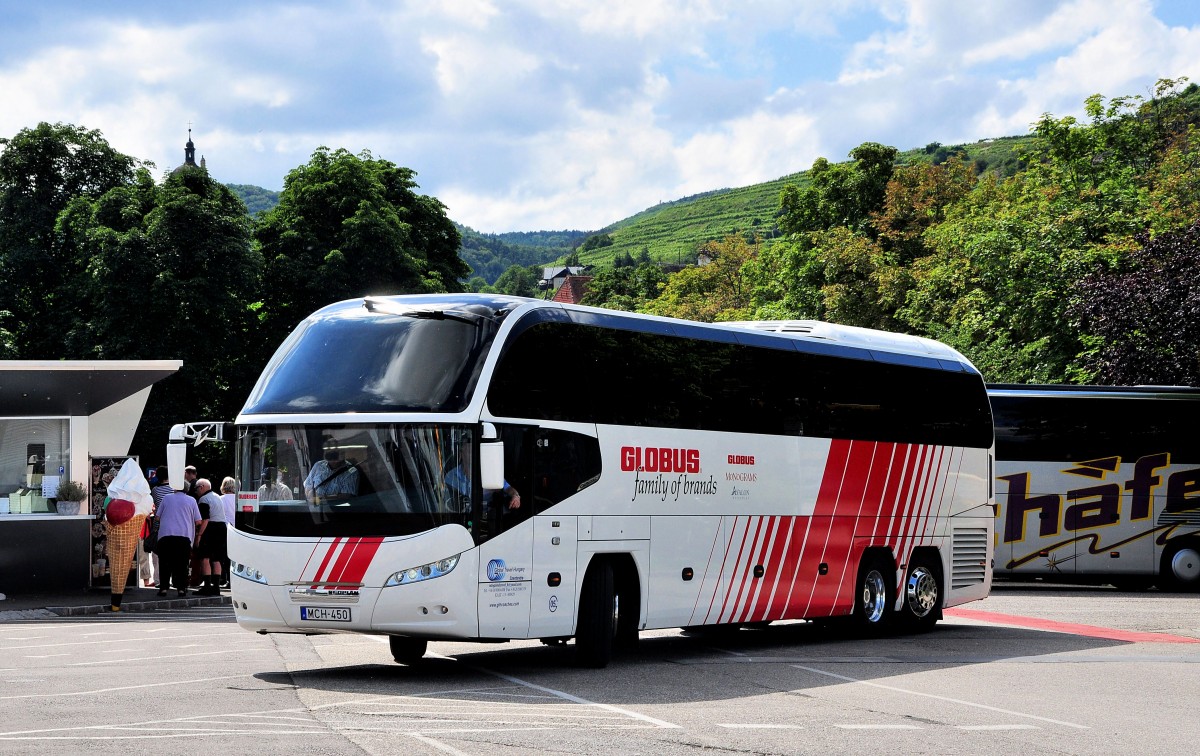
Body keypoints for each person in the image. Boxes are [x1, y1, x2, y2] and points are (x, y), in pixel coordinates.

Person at [444, 444, 521, 520]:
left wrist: (515, 496)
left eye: (475, 451)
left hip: (487, 518)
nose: (473, 454)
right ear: (461, 454)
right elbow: (447, 501)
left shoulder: (489, 472)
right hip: (462, 517)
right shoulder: (450, 476)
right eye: (469, 451)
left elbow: (508, 488)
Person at [154, 485, 202, 598]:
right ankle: (181, 589)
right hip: (184, 537)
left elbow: (157, 517)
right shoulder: (192, 500)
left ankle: (164, 588)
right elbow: (198, 521)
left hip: (165, 535)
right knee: (182, 564)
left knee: (165, 563)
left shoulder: (166, 498)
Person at [193, 478, 226, 595]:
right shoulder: (217, 496)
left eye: (196, 488)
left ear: (201, 487)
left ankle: (207, 586)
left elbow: (205, 519)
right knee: (217, 558)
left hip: (210, 528)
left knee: (205, 557)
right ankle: (216, 587)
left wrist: (199, 535)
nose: (196, 491)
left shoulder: (203, 499)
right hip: (222, 527)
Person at [219, 477, 238, 588]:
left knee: (226, 557)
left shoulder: (221, 499)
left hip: (225, 530)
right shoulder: (238, 499)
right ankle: (234, 581)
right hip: (238, 530)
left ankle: (226, 579)